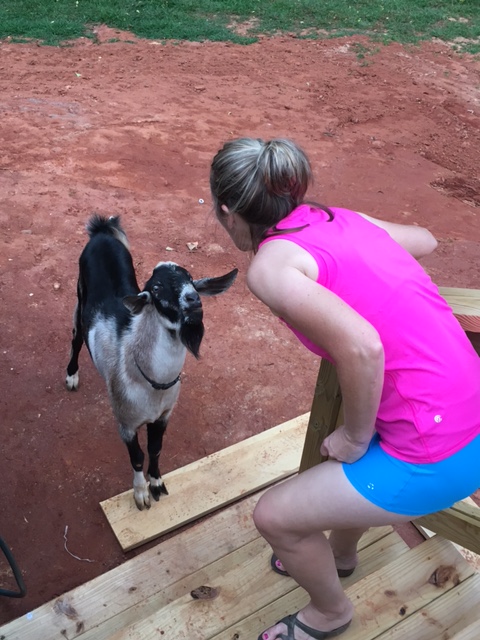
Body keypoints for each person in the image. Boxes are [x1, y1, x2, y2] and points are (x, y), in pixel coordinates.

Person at [209, 137, 480, 640]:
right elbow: (425, 240)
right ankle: (340, 555)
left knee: (275, 517)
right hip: (469, 416)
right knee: (362, 436)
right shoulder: (338, 219)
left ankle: (331, 613)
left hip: (438, 455)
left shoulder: (270, 267)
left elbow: (363, 347)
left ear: (227, 211)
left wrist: (355, 437)